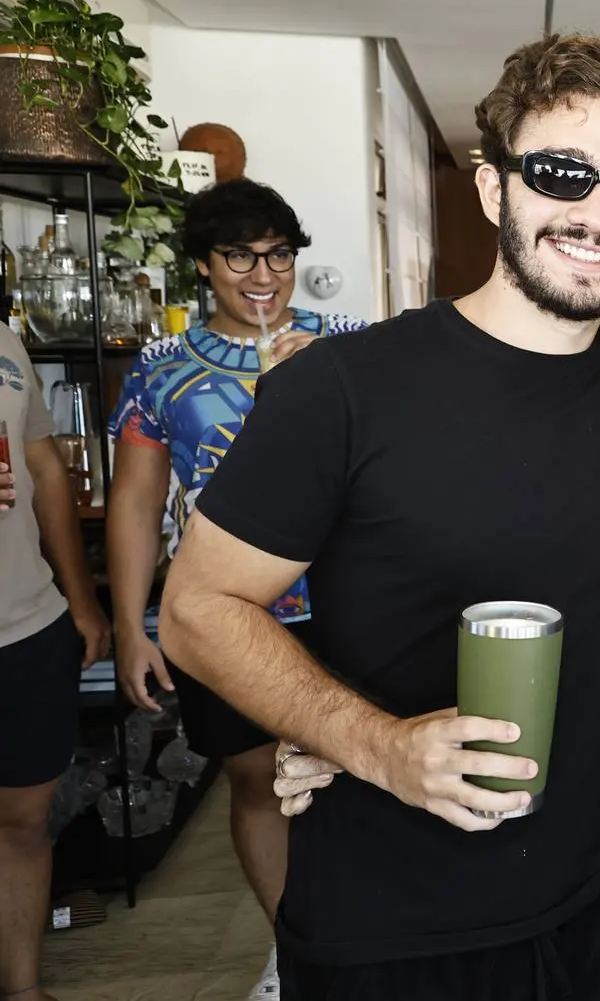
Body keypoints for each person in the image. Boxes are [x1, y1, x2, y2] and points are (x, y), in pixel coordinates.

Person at [157, 32, 600, 1000]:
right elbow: (199, 609)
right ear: (493, 189)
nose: (598, 213)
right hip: (392, 921)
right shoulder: (342, 388)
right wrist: (368, 744)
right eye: (561, 174)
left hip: (599, 901)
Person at [105, 178, 366, 1000]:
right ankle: (294, 950)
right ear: (203, 265)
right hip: (224, 611)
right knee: (257, 781)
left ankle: (366, 940)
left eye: (278, 256)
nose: (263, 276)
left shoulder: (345, 345)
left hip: (348, 605)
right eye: (240, 257)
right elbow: (137, 501)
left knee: (356, 771)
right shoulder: (162, 369)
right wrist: (131, 626)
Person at [0, 326, 111, 1001]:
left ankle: (22, 988)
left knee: (23, 824)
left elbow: (43, 470)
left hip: (27, 625)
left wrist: (80, 598)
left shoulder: (5, 342)